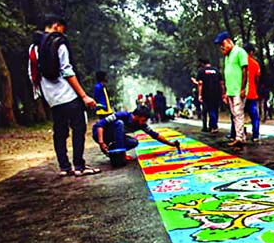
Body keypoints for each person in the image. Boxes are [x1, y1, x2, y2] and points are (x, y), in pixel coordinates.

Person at [33, 14, 99, 176]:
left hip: (53, 100)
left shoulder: (33, 48)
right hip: (69, 96)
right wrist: (84, 96)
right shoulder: (59, 43)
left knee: (59, 132)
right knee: (78, 128)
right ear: (56, 25)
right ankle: (79, 166)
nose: (63, 33)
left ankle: (64, 168)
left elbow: (32, 75)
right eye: (62, 28)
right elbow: (68, 71)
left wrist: (44, 96)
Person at [92, 106, 180, 167]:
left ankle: (114, 152)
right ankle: (121, 155)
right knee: (119, 124)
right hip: (100, 134)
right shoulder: (122, 115)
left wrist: (171, 144)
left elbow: (155, 135)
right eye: (143, 120)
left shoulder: (141, 124)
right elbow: (100, 125)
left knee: (133, 142)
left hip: (113, 138)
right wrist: (101, 142)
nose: (143, 122)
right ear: (137, 116)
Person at [214, 31, 248, 150]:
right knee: (234, 114)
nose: (222, 47)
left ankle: (239, 138)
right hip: (231, 90)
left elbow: (245, 70)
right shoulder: (227, 56)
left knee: (238, 114)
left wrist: (243, 88)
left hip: (238, 89)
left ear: (229, 41)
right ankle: (240, 136)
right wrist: (225, 92)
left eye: (222, 44)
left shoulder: (240, 52)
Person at [196, 58, 223, 134]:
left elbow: (200, 84)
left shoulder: (201, 71)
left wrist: (200, 95)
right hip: (217, 93)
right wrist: (223, 93)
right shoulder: (216, 70)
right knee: (215, 110)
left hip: (206, 94)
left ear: (202, 64)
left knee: (210, 110)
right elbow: (221, 83)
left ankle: (214, 127)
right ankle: (213, 125)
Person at [243, 43, 261, 142]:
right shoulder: (255, 63)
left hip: (241, 93)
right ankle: (255, 135)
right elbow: (257, 79)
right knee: (254, 116)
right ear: (251, 52)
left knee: (239, 115)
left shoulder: (240, 62)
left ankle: (238, 134)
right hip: (252, 93)